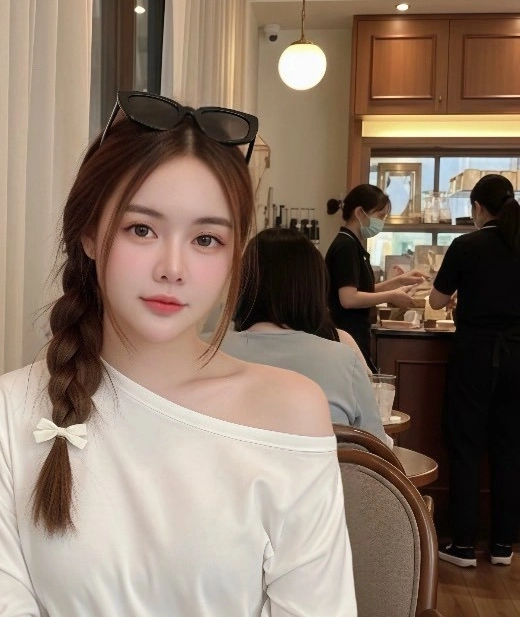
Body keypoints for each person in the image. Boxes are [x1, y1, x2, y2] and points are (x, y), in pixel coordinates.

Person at [0, 90, 399, 617]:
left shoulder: (288, 409)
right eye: (141, 228)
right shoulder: (1, 416)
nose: (172, 267)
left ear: (235, 255)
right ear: (89, 233)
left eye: (207, 239)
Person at [221, 228, 390, 442]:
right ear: (316, 289)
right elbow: (376, 445)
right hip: (330, 464)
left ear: (243, 285)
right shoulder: (343, 357)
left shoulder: (213, 353)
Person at [429, 173, 520, 568]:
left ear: (478, 208)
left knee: (466, 447)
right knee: (510, 450)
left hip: (474, 356)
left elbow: (435, 301)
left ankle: (464, 546)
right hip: (517, 357)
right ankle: (502, 546)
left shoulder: (467, 245)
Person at [326, 185, 424, 366]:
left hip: (355, 334)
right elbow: (348, 299)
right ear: (359, 212)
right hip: (347, 335)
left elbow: (363, 290)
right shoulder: (345, 247)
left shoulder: (353, 244)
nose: (382, 222)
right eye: (380, 216)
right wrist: (391, 296)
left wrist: (399, 281)